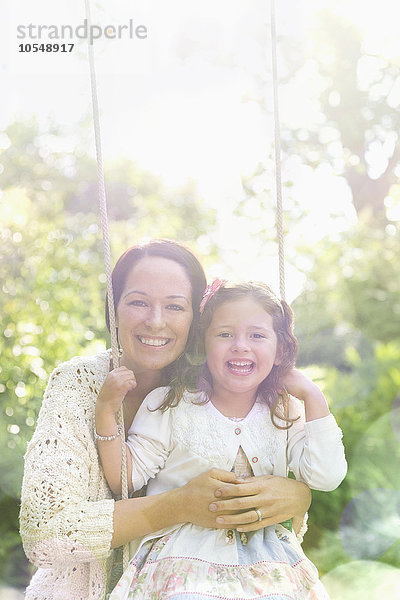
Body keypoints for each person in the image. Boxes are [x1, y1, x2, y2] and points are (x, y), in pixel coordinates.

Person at [19, 241, 312, 600]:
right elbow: (45, 534)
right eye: (138, 302)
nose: (155, 321)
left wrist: (298, 496)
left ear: (196, 320)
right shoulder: (78, 383)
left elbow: (267, 535)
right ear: (114, 310)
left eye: (175, 306)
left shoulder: (215, 390)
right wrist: (177, 505)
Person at [96, 280, 347, 600]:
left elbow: (326, 476)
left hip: (267, 565)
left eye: (257, 335)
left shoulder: (286, 412)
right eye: (225, 334)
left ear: (280, 349)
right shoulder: (169, 405)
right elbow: (124, 479)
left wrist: (312, 395)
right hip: (185, 562)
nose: (241, 345)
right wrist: (106, 411)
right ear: (203, 344)